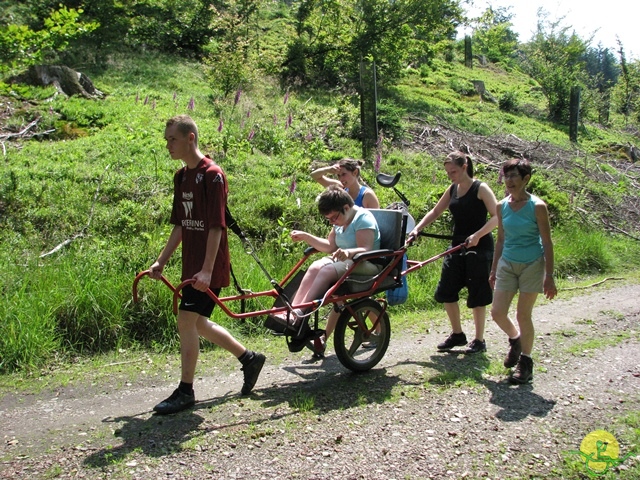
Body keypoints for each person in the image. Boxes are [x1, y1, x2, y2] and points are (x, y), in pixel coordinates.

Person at [148, 115, 265, 415]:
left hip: (209, 266)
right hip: (193, 266)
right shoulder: (181, 177)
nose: (168, 145)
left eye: (172, 139)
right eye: (166, 140)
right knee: (197, 323)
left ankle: (186, 390)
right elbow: (180, 226)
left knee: (186, 320)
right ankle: (249, 359)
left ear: (190, 138)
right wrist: (161, 260)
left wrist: (208, 270)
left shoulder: (213, 175)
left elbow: (217, 226)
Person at [408, 151, 498, 354]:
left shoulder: (481, 188)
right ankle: (457, 334)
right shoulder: (452, 189)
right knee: (446, 291)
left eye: (454, 171)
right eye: (448, 172)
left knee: (477, 294)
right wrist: (418, 228)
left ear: (465, 167)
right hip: (457, 245)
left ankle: (479, 339)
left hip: (479, 248)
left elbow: (497, 217)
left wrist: (477, 235)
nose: (451, 175)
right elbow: (436, 211)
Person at [273, 186, 381, 351]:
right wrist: (306, 236)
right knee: (315, 266)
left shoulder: (363, 219)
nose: (332, 222)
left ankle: (302, 314)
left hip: (366, 263)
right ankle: (293, 310)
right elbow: (330, 246)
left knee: (326, 270)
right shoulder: (340, 220)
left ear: (346, 207)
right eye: (328, 219)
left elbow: (366, 249)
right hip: (347, 261)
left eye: (333, 218)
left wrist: (348, 251)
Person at [489, 159, 557, 384]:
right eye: (506, 176)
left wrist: (549, 276)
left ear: (525, 179)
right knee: (497, 312)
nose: (509, 181)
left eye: (514, 176)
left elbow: (547, 242)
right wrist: (493, 269)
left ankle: (525, 363)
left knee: (522, 314)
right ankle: (515, 339)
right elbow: (500, 240)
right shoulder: (501, 206)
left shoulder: (537, 207)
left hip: (532, 264)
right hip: (507, 263)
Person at [311, 158, 380, 208]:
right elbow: (314, 176)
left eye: (344, 174)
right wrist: (328, 169)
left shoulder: (367, 195)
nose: (341, 179)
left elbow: (376, 222)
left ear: (355, 172)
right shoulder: (341, 188)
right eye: (338, 175)